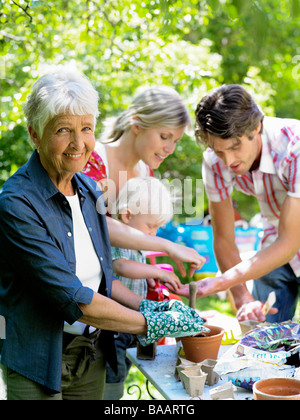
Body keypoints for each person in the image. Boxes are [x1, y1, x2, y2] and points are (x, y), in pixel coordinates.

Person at [0, 68, 208, 400]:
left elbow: (104, 279)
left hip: (91, 353)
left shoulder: (89, 189)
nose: (78, 143)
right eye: (63, 130)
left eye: (86, 129)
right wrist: (149, 324)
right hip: (37, 358)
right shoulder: (17, 204)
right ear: (35, 135)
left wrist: (149, 307)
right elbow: (74, 298)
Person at [179, 84, 300, 323]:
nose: (228, 160)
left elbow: (290, 241)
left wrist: (222, 281)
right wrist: (242, 296)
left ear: (256, 126)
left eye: (235, 147)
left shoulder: (293, 148)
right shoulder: (215, 162)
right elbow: (224, 239)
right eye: (219, 151)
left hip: (287, 238)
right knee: (262, 338)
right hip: (277, 240)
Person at [104, 176, 182, 399]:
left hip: (131, 323)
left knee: (125, 366)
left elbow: (136, 266)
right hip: (114, 326)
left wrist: (147, 278)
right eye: (151, 226)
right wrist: (157, 272)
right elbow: (121, 266)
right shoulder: (116, 238)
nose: (154, 234)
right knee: (113, 373)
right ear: (127, 215)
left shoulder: (136, 242)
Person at [82, 84, 191, 214]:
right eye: (164, 137)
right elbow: (90, 220)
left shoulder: (146, 175)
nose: (170, 149)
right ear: (137, 125)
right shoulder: (93, 160)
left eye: (175, 141)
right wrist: (144, 236)